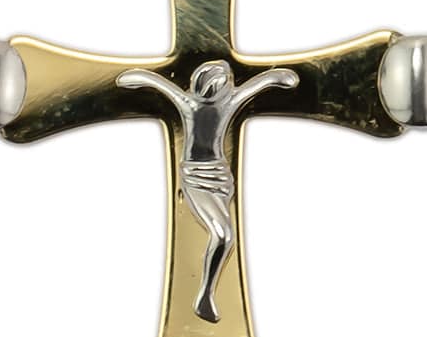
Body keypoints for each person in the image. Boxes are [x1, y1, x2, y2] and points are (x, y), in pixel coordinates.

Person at [118, 60, 298, 322]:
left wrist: (278, 78)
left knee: (224, 235)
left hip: (221, 178)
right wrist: (137, 77)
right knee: (223, 235)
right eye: (215, 80)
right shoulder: (189, 104)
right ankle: (205, 294)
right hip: (196, 177)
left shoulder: (227, 103)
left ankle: (206, 293)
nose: (218, 85)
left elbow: (256, 87)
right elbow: (161, 86)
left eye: (222, 81)